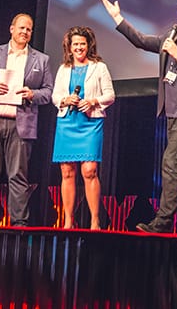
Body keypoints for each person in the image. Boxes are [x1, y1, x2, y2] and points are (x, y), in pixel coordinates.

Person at [100, 0, 177, 236]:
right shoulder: (170, 36)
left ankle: (163, 221)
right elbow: (142, 40)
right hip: (172, 113)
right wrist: (118, 18)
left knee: (171, 162)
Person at [0, 13, 54, 226]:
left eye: (29, 29)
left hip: (20, 124)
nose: (25, 32)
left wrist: (32, 94)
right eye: (21, 28)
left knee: (18, 176)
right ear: (12, 29)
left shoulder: (41, 60)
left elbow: (49, 92)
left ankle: (19, 225)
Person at [52, 26, 115, 230]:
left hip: (90, 122)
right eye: (75, 44)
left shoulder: (99, 67)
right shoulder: (63, 69)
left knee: (89, 170)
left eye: (82, 43)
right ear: (69, 48)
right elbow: (55, 96)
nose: (79, 47)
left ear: (89, 46)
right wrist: (64, 99)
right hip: (67, 121)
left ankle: (94, 220)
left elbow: (110, 95)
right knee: (67, 172)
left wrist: (93, 101)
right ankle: (69, 220)